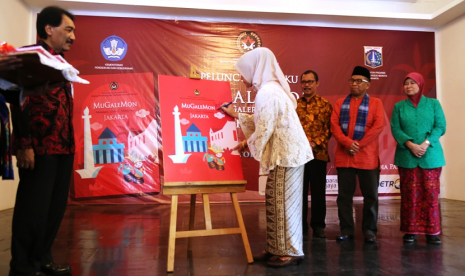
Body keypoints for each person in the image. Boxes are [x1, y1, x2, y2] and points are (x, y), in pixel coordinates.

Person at [221, 47, 313, 267]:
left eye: (244, 72)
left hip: (286, 156)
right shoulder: (271, 89)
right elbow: (265, 120)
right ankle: (275, 247)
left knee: (283, 205)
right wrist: (238, 116)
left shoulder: (268, 92)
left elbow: (265, 128)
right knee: (276, 202)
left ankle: (287, 251)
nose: (242, 78)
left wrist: (245, 144)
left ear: (255, 69)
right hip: (285, 155)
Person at [9, 6, 76, 276]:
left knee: (54, 209)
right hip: (38, 147)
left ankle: (43, 259)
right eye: (68, 29)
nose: (73, 37)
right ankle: (23, 267)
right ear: (49, 29)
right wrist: (24, 144)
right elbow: (16, 99)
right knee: (32, 210)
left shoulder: (62, 62)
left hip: (63, 146)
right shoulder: (29, 57)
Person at [330, 66, 385, 243]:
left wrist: (358, 145)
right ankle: (346, 230)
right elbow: (334, 126)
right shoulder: (340, 103)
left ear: (367, 84)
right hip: (344, 156)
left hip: (367, 157)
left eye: (359, 81)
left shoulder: (376, 103)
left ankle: (369, 230)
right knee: (344, 196)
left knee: (371, 196)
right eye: (352, 80)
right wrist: (347, 143)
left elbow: (378, 126)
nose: (354, 84)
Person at [390, 72, 446, 244]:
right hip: (407, 156)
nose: (408, 86)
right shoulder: (399, 106)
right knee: (409, 194)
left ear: (420, 85)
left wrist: (425, 144)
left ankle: (432, 232)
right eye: (406, 83)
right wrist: (411, 145)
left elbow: (440, 126)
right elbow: (395, 128)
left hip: (431, 156)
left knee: (430, 194)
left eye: (412, 83)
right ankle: (410, 230)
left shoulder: (434, 104)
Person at [295, 70, 332, 239]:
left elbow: (329, 130)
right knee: (299, 192)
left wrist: (314, 143)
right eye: (304, 82)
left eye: (310, 81)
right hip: (298, 155)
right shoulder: (294, 105)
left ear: (317, 83)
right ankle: (299, 225)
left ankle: (318, 226)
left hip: (318, 155)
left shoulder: (326, 105)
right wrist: (301, 145)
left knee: (318, 192)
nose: (307, 85)